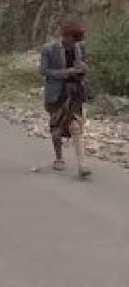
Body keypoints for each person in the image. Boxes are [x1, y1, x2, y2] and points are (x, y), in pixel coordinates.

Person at [41, 21, 91, 178]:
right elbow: (44, 71)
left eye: (77, 40)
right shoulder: (48, 49)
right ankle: (59, 158)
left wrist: (83, 69)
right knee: (56, 129)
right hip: (56, 94)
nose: (74, 43)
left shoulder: (79, 48)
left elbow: (84, 65)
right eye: (72, 39)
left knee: (76, 126)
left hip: (75, 92)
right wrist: (66, 72)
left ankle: (82, 165)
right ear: (65, 36)